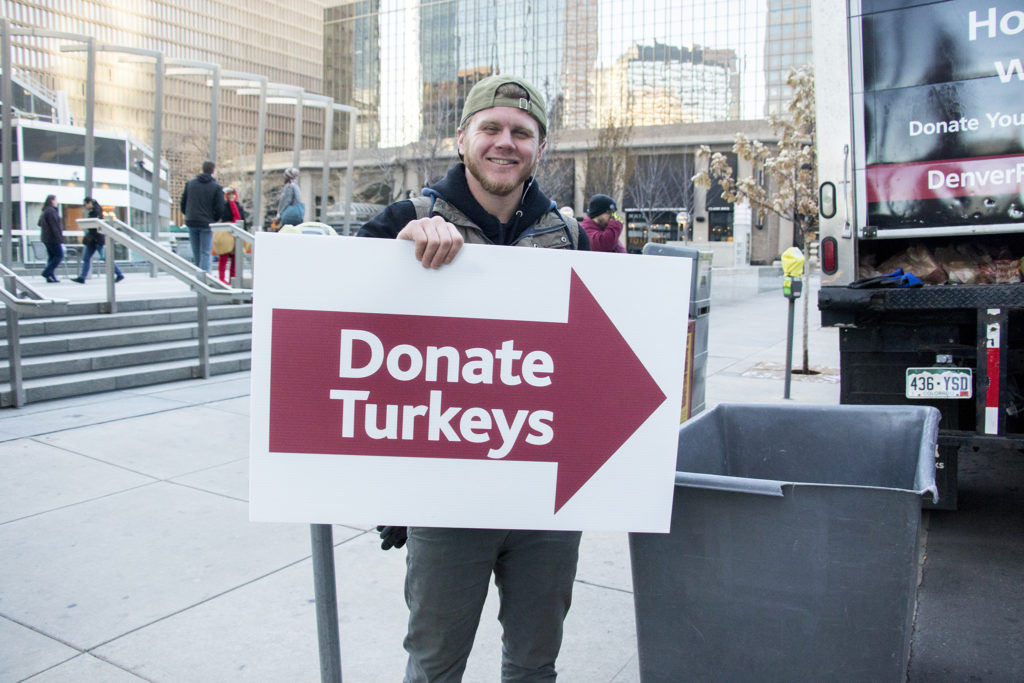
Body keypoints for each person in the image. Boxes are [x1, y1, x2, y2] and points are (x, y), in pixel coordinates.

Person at [359, 73, 590, 682]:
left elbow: (594, 359)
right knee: (435, 667)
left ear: (541, 148)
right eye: (490, 128)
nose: (504, 142)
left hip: (544, 498)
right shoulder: (408, 217)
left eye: (522, 132)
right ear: (461, 138)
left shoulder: (569, 236)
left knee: (535, 666)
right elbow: (336, 314)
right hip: (446, 499)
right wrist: (394, 246)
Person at [180, 160, 225, 271]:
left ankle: (198, 277)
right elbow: (220, 207)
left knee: (196, 252)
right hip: (206, 223)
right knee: (205, 252)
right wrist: (214, 219)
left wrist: (188, 214)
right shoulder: (216, 187)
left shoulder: (190, 183)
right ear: (213, 171)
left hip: (191, 220)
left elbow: (183, 202)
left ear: (203, 169)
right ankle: (204, 280)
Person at [71, 197, 124, 284]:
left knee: (105, 258)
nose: (85, 207)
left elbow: (95, 226)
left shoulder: (95, 211)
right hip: (94, 239)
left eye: (85, 204)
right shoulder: (96, 210)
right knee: (88, 258)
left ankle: (119, 274)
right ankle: (82, 277)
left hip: (96, 239)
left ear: (89, 203)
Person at [215, 186, 247, 284]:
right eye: (229, 194)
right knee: (223, 257)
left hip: (236, 235)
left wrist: (233, 203)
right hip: (225, 234)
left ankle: (232, 279)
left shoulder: (239, 206)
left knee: (235, 259)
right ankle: (222, 279)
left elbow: (238, 218)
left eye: (233, 194)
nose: (231, 196)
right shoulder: (223, 207)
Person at [38, 194, 64, 283]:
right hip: (53, 238)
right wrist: (59, 238)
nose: (57, 202)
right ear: (52, 201)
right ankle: (47, 272)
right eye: (56, 200)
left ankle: (50, 276)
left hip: (46, 238)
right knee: (59, 255)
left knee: (52, 257)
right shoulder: (51, 211)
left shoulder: (45, 211)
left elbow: (39, 223)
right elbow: (54, 226)